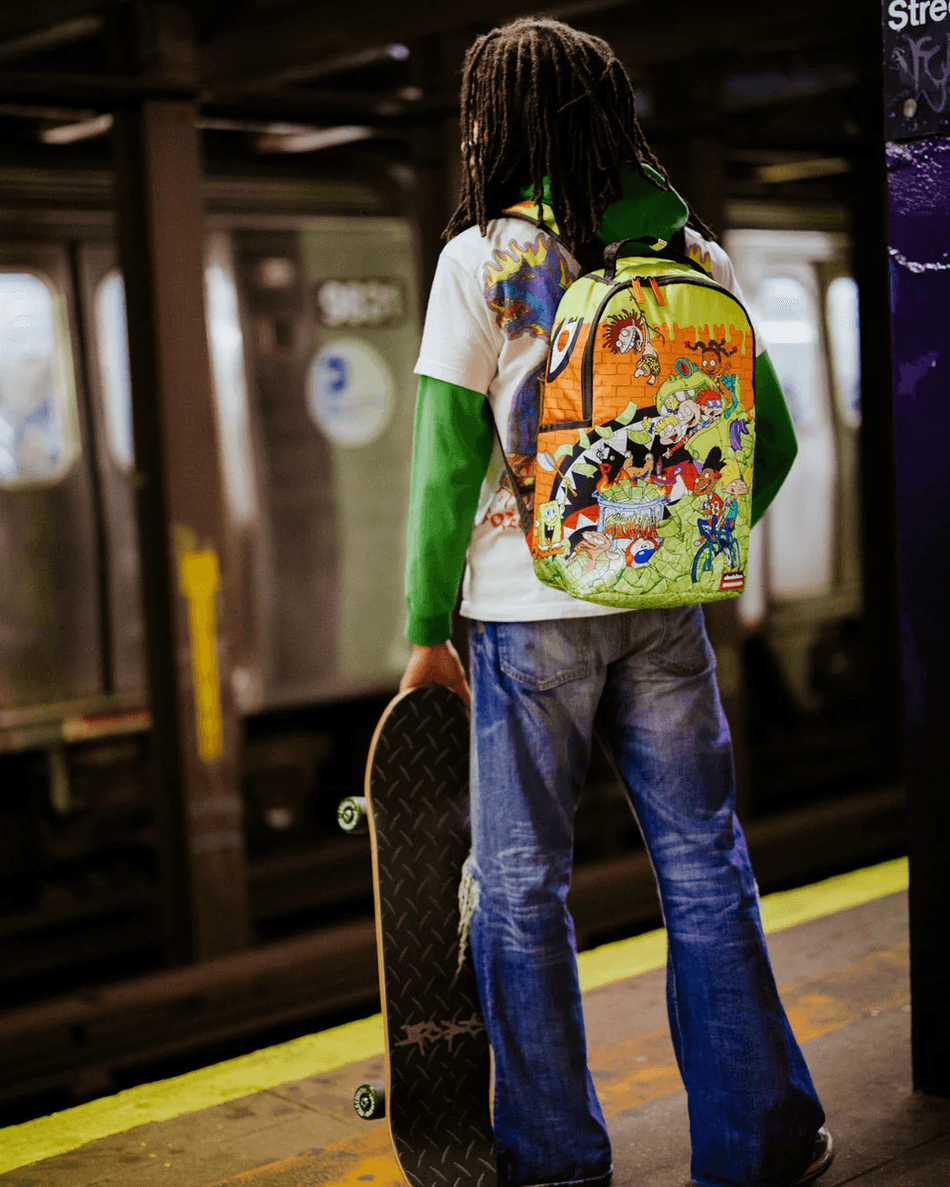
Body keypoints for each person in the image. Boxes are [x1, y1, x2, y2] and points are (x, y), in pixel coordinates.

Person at [399, 16, 833, 1187]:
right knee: (703, 862)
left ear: (500, 124)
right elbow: (773, 441)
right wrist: (677, 548)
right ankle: (755, 1145)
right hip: (663, 612)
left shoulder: (481, 261)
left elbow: (442, 462)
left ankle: (552, 1158)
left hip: (524, 612)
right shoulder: (693, 253)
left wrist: (425, 630)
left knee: (520, 891)